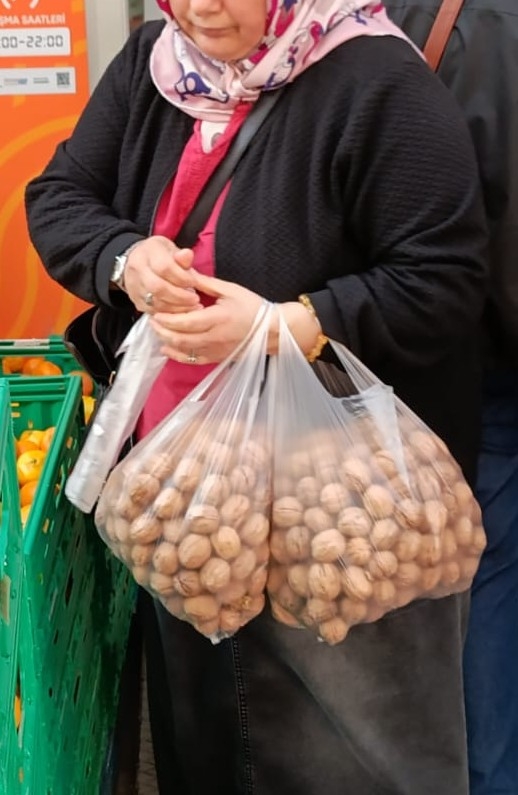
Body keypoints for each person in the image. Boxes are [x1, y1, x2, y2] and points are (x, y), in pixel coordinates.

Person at [25, 2, 489, 793]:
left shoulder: (377, 82)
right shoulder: (155, 64)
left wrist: (287, 325)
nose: (202, 6)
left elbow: (443, 279)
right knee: (205, 732)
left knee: (332, 748)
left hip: (333, 501)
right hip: (179, 491)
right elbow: (61, 195)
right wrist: (125, 259)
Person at [382, 4, 518, 794]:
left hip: (470, 355)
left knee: (486, 577)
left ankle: (488, 775)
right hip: (482, 352)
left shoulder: (402, 21)